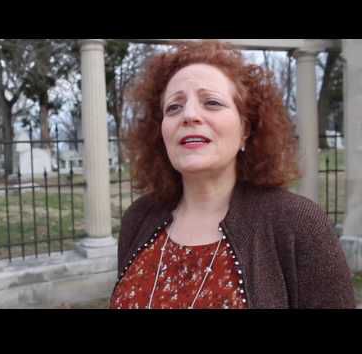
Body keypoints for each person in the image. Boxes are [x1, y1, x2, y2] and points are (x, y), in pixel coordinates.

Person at [109, 41, 355, 309]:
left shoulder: (299, 225)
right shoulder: (138, 219)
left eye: (212, 102)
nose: (189, 115)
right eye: (174, 107)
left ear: (246, 130)